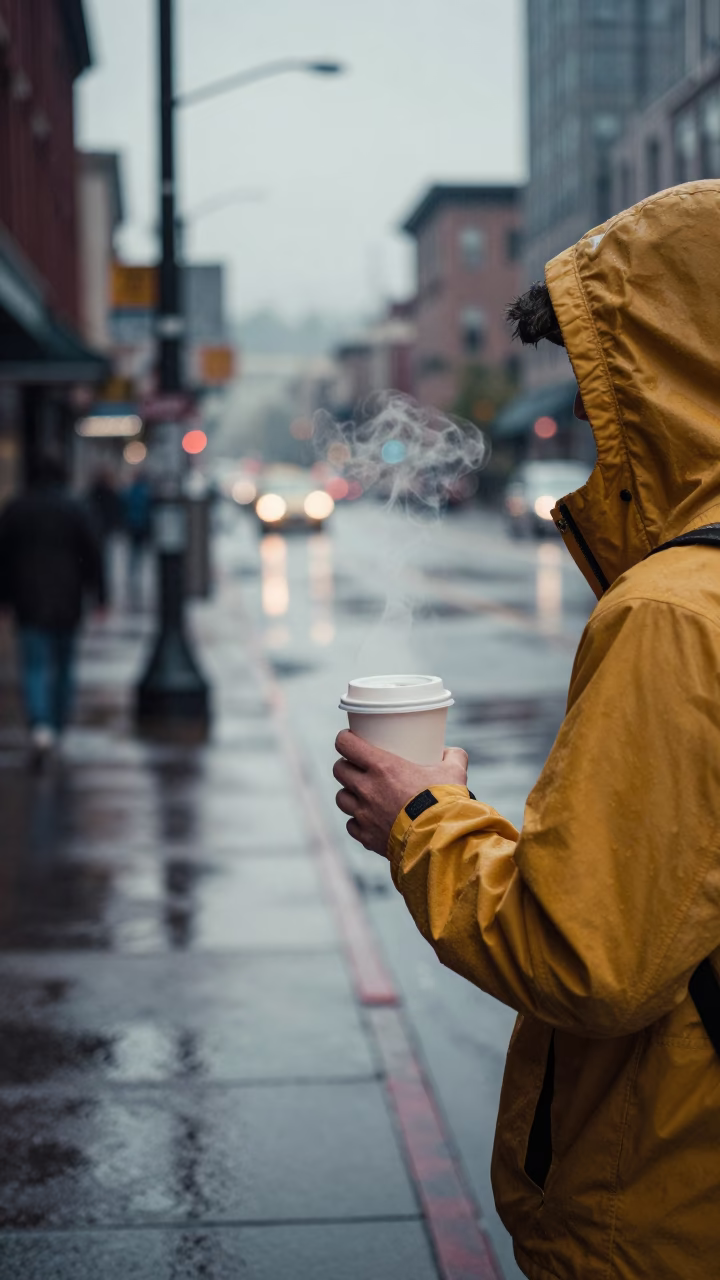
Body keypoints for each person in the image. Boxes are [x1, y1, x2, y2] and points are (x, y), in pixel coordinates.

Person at [334, 179, 720, 1280]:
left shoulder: (675, 613)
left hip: (665, 1205)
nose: (599, 427)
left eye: (609, 394)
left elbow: (591, 953)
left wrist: (421, 815)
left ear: (671, 383)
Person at [0, 456, 105, 759]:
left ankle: (40, 724)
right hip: (67, 598)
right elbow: (93, 554)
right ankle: (56, 726)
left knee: (34, 665)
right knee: (64, 665)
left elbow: (3, 558)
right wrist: (99, 596)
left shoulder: (16, 508)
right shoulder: (75, 509)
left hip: (28, 599)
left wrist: (5, 597)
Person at [122, 470, 152, 610]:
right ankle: (137, 575)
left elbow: (124, 505)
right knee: (140, 553)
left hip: (133, 526)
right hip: (142, 527)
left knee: (134, 553)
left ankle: (132, 575)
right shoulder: (146, 492)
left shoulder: (131, 492)